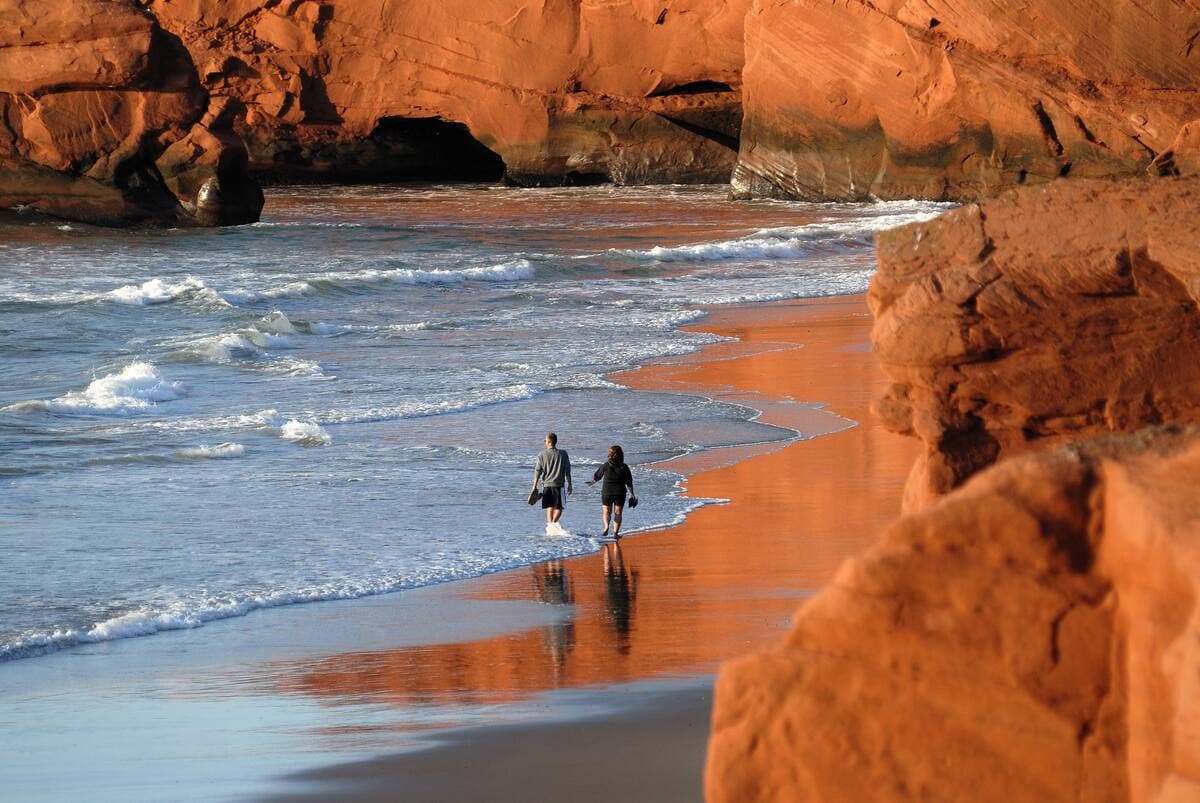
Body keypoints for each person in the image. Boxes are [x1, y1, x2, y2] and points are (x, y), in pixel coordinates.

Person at [587, 444, 634, 539]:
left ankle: (606, 527)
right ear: (621, 455)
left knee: (606, 511)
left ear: (610, 454)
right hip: (620, 493)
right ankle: (616, 533)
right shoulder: (624, 467)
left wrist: (592, 482)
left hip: (607, 492)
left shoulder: (606, 465)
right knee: (618, 513)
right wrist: (632, 494)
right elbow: (629, 482)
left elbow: (597, 476)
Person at [532, 432, 572, 528]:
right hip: (559, 485)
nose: (545, 442)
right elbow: (567, 470)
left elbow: (537, 471)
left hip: (546, 485)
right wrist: (570, 484)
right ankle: (553, 524)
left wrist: (534, 486)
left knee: (549, 507)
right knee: (559, 508)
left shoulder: (541, 454)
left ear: (549, 441)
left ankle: (550, 526)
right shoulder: (563, 454)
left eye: (545, 440)